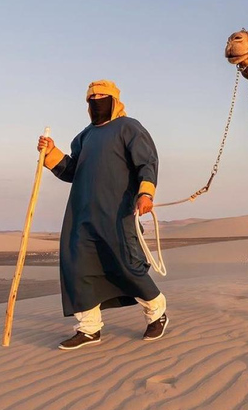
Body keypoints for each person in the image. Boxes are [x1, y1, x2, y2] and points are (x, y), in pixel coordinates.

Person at [37, 80, 169, 350]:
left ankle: (157, 313)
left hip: (117, 212)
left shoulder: (128, 127)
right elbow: (72, 171)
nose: (96, 100)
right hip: (81, 213)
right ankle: (89, 328)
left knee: (126, 264)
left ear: (114, 99)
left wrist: (146, 192)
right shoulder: (84, 136)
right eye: (91, 97)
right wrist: (50, 153)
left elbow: (147, 161)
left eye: (101, 96)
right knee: (78, 267)